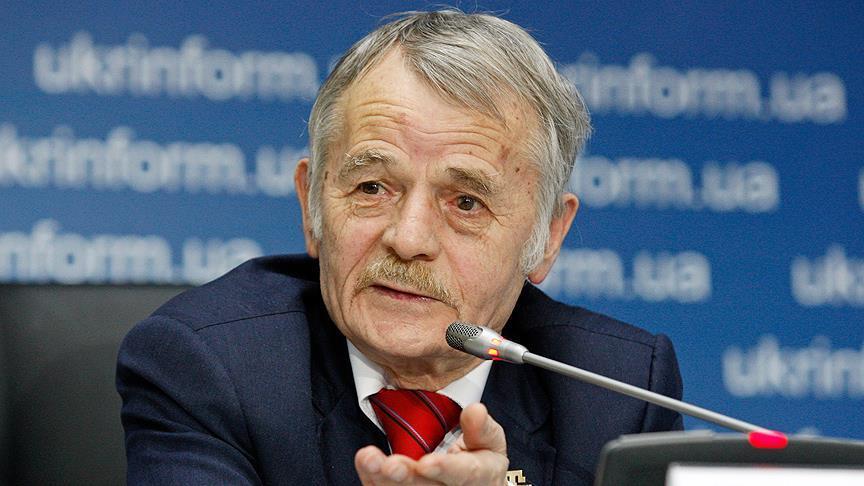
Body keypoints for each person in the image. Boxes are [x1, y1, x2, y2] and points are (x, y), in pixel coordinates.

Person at [117, 10, 682, 485]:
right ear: (311, 206)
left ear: (548, 237)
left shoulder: (620, 392)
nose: (408, 240)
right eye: (372, 188)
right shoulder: (210, 367)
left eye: (466, 202)